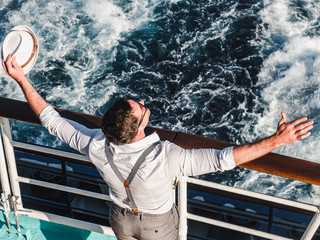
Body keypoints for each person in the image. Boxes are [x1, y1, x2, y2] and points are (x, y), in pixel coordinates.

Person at [2, 55, 314, 240]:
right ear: (138, 130)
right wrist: (276, 141)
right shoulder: (166, 156)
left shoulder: (95, 144)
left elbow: (49, 119)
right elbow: (224, 159)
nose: (139, 102)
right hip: (157, 225)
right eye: (137, 107)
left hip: (119, 218)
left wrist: (20, 78)